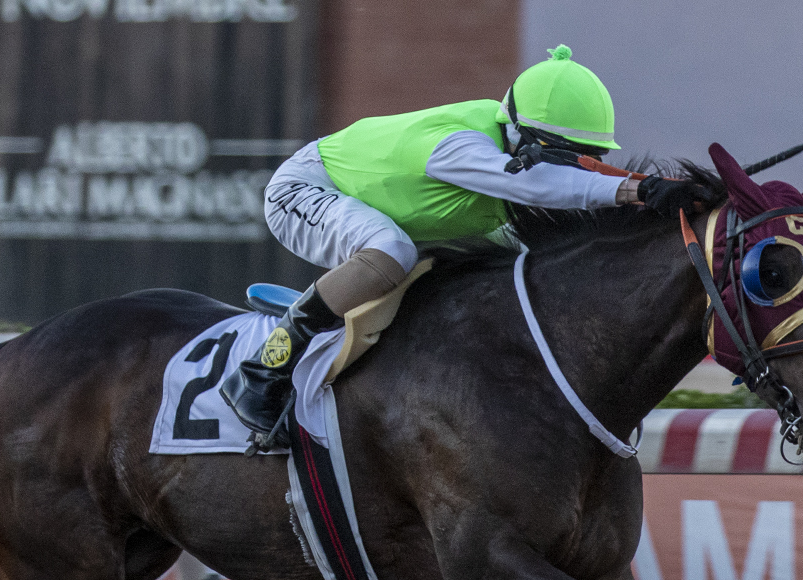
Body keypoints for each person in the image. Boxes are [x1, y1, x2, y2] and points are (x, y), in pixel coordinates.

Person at [221, 45, 712, 451]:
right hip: (306, 188)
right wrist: (637, 190)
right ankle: (264, 368)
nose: (573, 169)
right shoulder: (460, 146)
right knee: (391, 251)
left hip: (399, 210)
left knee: (531, 266)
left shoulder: (517, 141)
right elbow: (536, 185)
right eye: (563, 157)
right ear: (520, 136)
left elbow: (561, 185)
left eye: (586, 158)